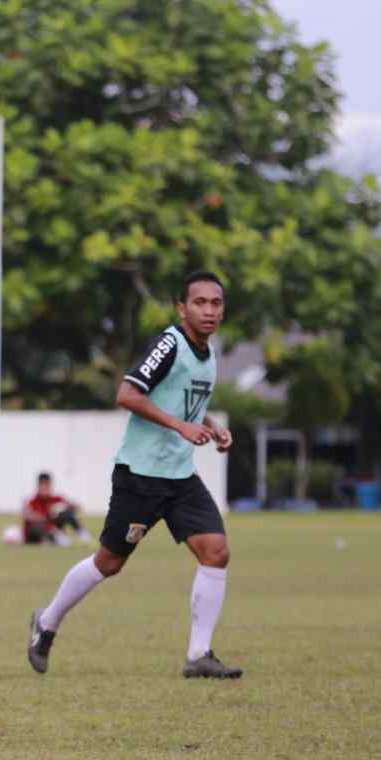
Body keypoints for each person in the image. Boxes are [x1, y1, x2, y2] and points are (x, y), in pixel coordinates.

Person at [27, 271, 242, 680]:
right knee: (108, 562)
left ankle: (199, 655)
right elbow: (127, 393)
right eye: (200, 302)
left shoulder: (209, 355)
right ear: (182, 308)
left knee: (216, 551)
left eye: (216, 303)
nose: (209, 310)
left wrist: (211, 426)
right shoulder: (169, 344)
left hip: (180, 477)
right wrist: (181, 427)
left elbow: (187, 405)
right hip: (141, 476)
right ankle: (47, 621)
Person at [22, 472, 93, 546]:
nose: (45, 487)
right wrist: (48, 515)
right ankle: (55, 538)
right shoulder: (31, 501)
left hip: (53, 529)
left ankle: (84, 536)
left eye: (47, 485)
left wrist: (68, 508)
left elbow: (74, 507)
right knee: (38, 526)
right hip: (35, 535)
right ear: (38, 485)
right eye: (43, 484)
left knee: (66, 513)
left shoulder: (56, 499)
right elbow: (28, 516)